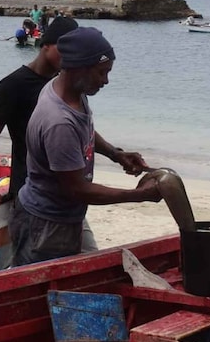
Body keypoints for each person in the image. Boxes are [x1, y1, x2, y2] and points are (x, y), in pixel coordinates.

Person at [10, 27, 161, 266]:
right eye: (102, 73)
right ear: (80, 68)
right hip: (46, 226)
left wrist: (115, 154)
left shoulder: (68, 89)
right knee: (41, 293)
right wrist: (139, 195)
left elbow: (85, 129)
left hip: (65, 216)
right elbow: (78, 190)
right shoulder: (58, 123)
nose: (106, 80)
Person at [0, 17, 92, 251]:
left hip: (67, 193)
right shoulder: (13, 84)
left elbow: (81, 129)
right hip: (31, 196)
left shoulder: (62, 84)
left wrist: (115, 154)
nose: (70, 60)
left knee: (86, 258)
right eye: (64, 52)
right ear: (46, 45)